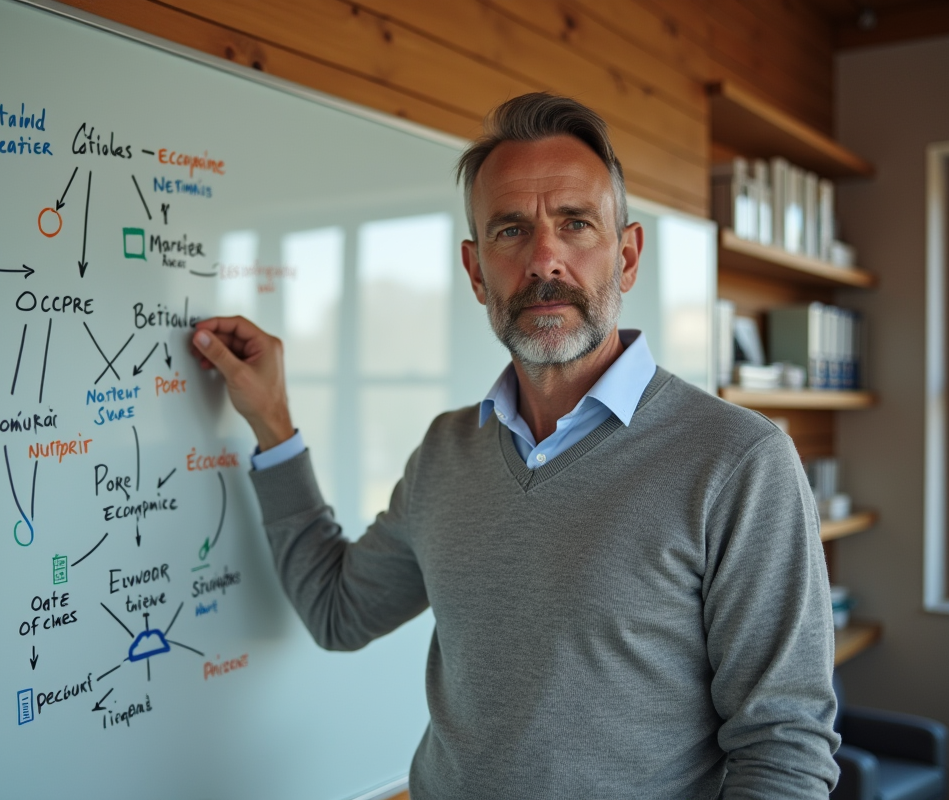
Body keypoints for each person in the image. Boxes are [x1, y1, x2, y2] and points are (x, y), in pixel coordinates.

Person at [191, 93, 839, 799]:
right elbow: (337, 612)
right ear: (476, 272)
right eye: (510, 230)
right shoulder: (447, 451)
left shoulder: (738, 462)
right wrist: (272, 427)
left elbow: (784, 751)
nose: (544, 260)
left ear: (626, 257)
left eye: (575, 224)